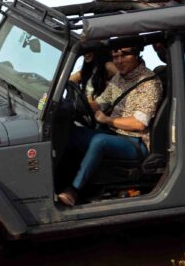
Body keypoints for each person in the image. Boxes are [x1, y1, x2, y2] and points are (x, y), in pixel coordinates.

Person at [56, 44, 163, 207]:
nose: (119, 61)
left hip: (136, 142)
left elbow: (139, 123)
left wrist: (108, 120)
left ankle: (74, 191)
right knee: (70, 133)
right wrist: (72, 106)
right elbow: (101, 103)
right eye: (115, 56)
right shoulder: (120, 77)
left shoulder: (149, 84)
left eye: (124, 55)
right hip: (114, 134)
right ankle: (55, 181)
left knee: (100, 141)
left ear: (136, 54)